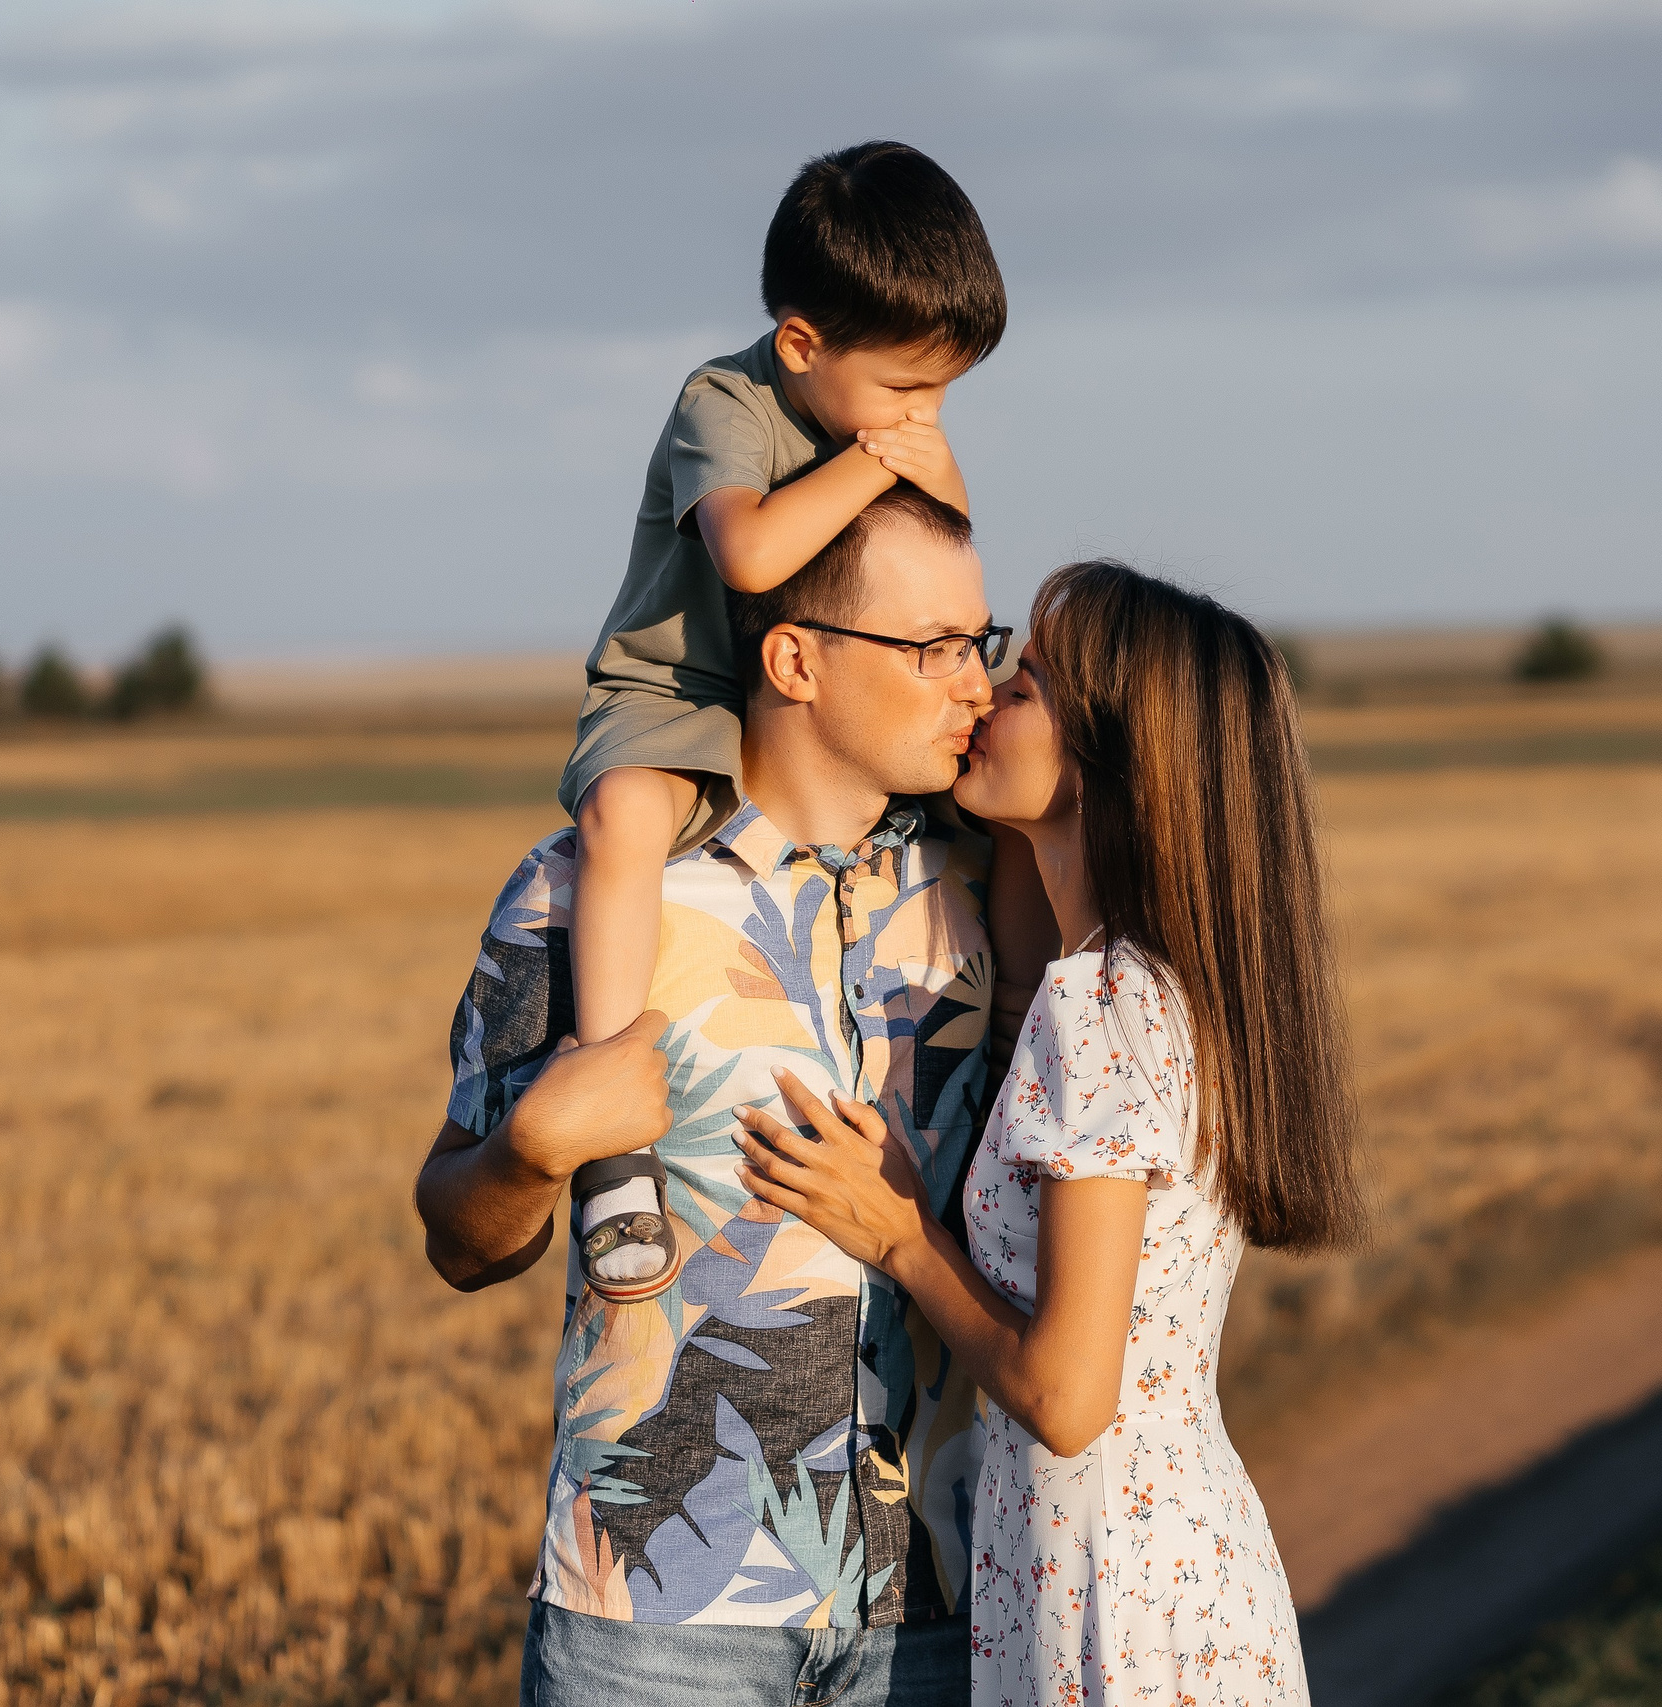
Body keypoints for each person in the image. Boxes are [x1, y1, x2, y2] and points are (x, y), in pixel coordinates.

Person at [416, 487, 1035, 1707]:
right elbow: (457, 1239)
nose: (975, 683)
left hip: (951, 1606)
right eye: (935, 648)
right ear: (795, 659)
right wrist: (532, 1154)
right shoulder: (590, 895)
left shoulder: (998, 882)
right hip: (657, 1632)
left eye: (983, 642)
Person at [732, 560, 1366, 1707]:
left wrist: (899, 1236)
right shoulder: (1149, 986)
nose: (979, 693)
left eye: (1022, 682)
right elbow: (1020, 947)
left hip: (1111, 1598)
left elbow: (1069, 1397)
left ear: (1116, 763)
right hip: (1162, 1564)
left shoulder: (1106, 1003)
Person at [557, 140, 1022, 1303]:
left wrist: (917, 467)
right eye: (907, 389)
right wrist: (879, 463)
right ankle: (615, 1139)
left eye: (942, 392)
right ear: (803, 344)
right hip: (678, 692)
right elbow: (752, 549)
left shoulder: (875, 416)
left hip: (810, 719)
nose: (925, 416)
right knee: (622, 823)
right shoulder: (725, 400)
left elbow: (945, 544)